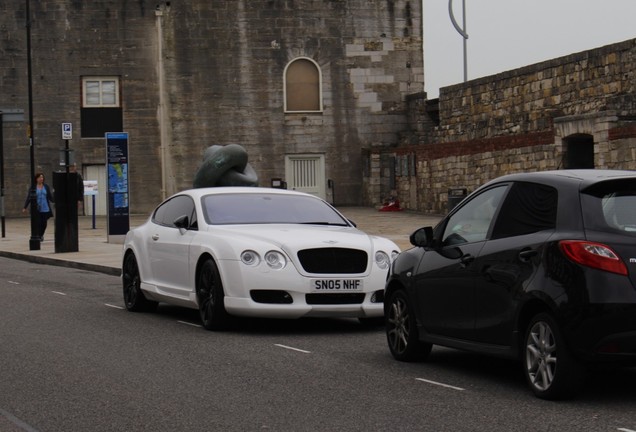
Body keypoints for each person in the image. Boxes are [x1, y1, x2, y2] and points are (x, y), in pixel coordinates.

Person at [22, 172, 55, 241]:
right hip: (36, 209)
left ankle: (41, 234)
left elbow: (50, 197)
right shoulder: (33, 187)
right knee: (38, 223)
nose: (41, 179)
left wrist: (55, 202)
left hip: (45, 207)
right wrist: (25, 207)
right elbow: (29, 197)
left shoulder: (46, 186)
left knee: (44, 223)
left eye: (42, 177)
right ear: (36, 179)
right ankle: (39, 236)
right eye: (40, 177)